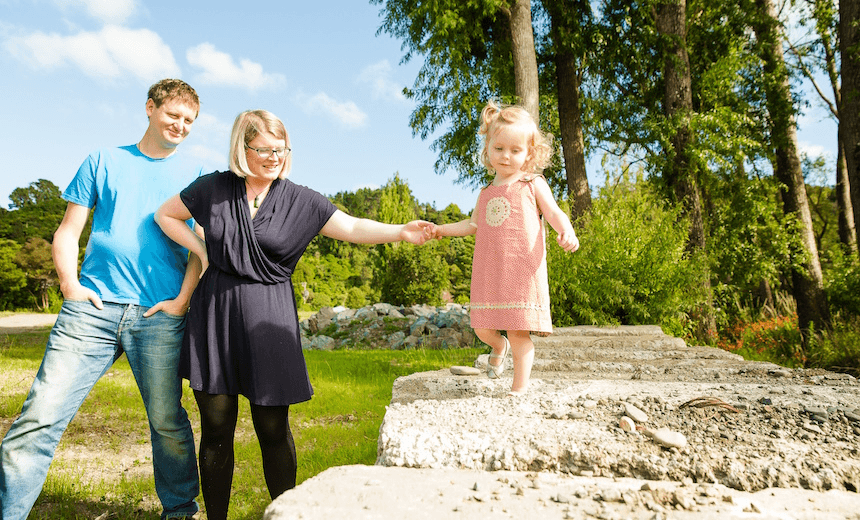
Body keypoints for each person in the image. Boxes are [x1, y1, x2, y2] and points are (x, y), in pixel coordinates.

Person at [154, 109, 432, 519]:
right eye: (262, 149)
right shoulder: (212, 188)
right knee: (216, 429)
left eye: (279, 149)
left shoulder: (300, 198)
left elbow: (353, 228)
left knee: (272, 428)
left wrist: (400, 231)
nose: (272, 157)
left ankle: (287, 514)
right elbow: (166, 215)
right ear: (241, 147)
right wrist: (202, 250)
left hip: (270, 321)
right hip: (215, 317)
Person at [0, 79, 203, 520]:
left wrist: (183, 300)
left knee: (168, 423)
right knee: (39, 417)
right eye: (173, 115)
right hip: (92, 311)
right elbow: (68, 231)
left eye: (189, 121)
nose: (180, 125)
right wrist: (71, 287)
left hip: (158, 313)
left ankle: (180, 514)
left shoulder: (197, 176)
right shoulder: (104, 159)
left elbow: (200, 248)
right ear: (150, 108)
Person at [428, 100, 579, 397]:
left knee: (518, 330)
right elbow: (472, 225)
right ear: (488, 149)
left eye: (515, 150)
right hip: (490, 270)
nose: (506, 156)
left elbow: (553, 212)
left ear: (529, 153)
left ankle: (519, 387)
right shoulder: (486, 192)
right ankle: (498, 347)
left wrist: (567, 229)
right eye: (499, 149)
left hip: (521, 270)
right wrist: (441, 230)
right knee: (483, 328)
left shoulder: (531, 182)